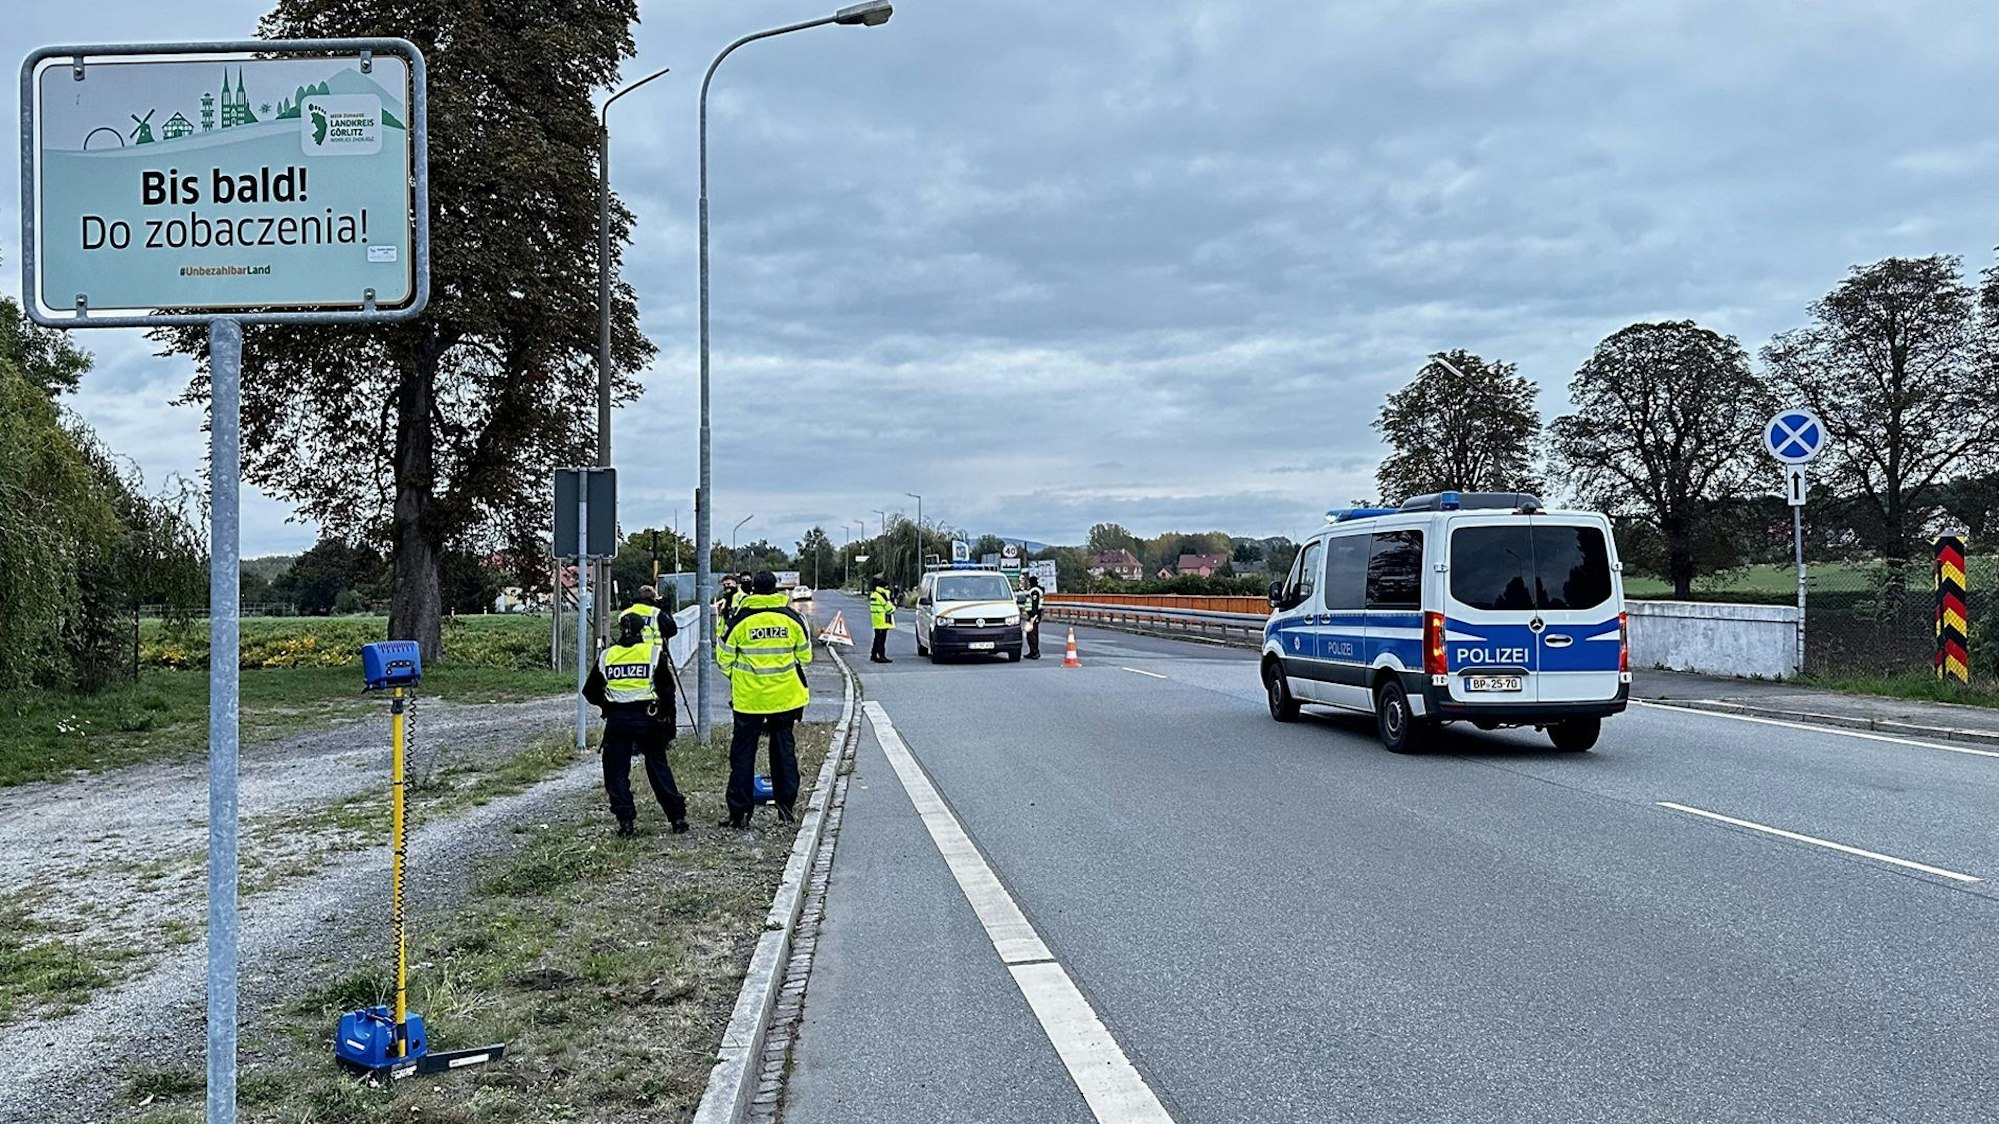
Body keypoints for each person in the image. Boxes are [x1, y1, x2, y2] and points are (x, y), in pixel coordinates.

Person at [716, 571, 811, 827]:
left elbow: (722, 658)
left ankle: (740, 814)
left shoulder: (739, 619)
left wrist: (740, 678)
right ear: (776, 589)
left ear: (753, 590)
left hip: (749, 698)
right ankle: (786, 810)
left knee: (743, 755)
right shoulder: (792, 618)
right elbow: (805, 656)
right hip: (786, 697)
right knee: (783, 752)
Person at [583, 611, 687, 837]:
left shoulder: (607, 656)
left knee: (616, 772)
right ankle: (677, 818)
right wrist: (668, 721)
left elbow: (590, 691)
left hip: (618, 720)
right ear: (642, 631)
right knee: (658, 767)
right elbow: (667, 691)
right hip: (649, 718)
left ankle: (626, 822)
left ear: (620, 629)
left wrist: (607, 705)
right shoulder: (652, 653)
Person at [868, 574, 896, 664]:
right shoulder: (882, 594)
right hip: (883, 618)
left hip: (876, 618)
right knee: (881, 638)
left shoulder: (874, 593)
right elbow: (888, 606)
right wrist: (894, 608)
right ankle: (881, 656)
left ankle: (873, 654)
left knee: (877, 637)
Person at [1021, 573, 1046, 659]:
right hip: (1032, 615)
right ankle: (1032, 651)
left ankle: (1035, 652)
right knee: (1029, 633)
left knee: (1032, 634)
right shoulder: (1033, 590)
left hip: (1034, 615)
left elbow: (1035, 604)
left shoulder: (1035, 591)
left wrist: (1034, 616)